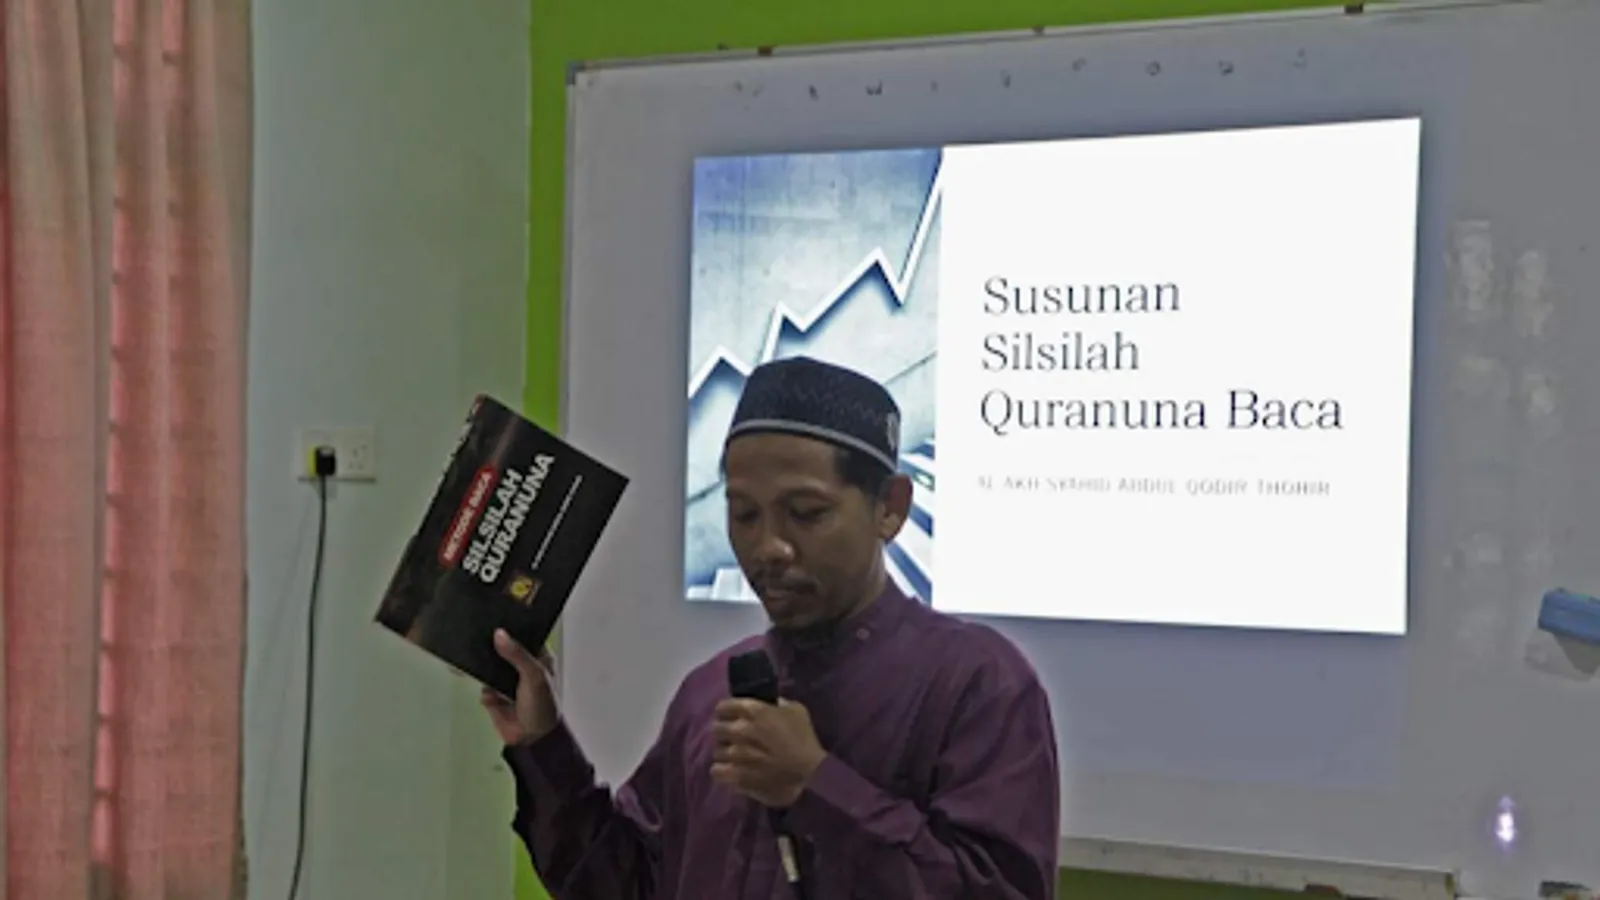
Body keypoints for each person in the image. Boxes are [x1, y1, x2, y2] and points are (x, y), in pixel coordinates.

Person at [483, 356, 1060, 899]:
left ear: (890, 507)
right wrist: (542, 743)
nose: (769, 548)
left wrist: (815, 786)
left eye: (806, 514)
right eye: (744, 514)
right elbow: (624, 886)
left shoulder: (978, 685)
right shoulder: (707, 695)